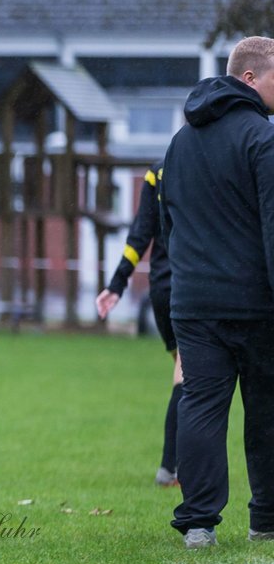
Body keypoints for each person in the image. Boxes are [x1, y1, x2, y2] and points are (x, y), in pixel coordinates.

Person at [159, 36, 274, 549]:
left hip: (193, 301)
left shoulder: (179, 143)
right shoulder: (262, 138)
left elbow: (168, 227)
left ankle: (198, 524)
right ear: (250, 77)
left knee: (201, 406)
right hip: (255, 303)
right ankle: (266, 519)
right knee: (266, 408)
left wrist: (180, 289)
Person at [95, 162, 180, 487]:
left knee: (183, 371)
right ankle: (170, 467)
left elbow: (139, 235)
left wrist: (116, 284)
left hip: (160, 287)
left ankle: (174, 466)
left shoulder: (157, 172)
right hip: (188, 284)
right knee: (188, 375)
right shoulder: (201, 165)